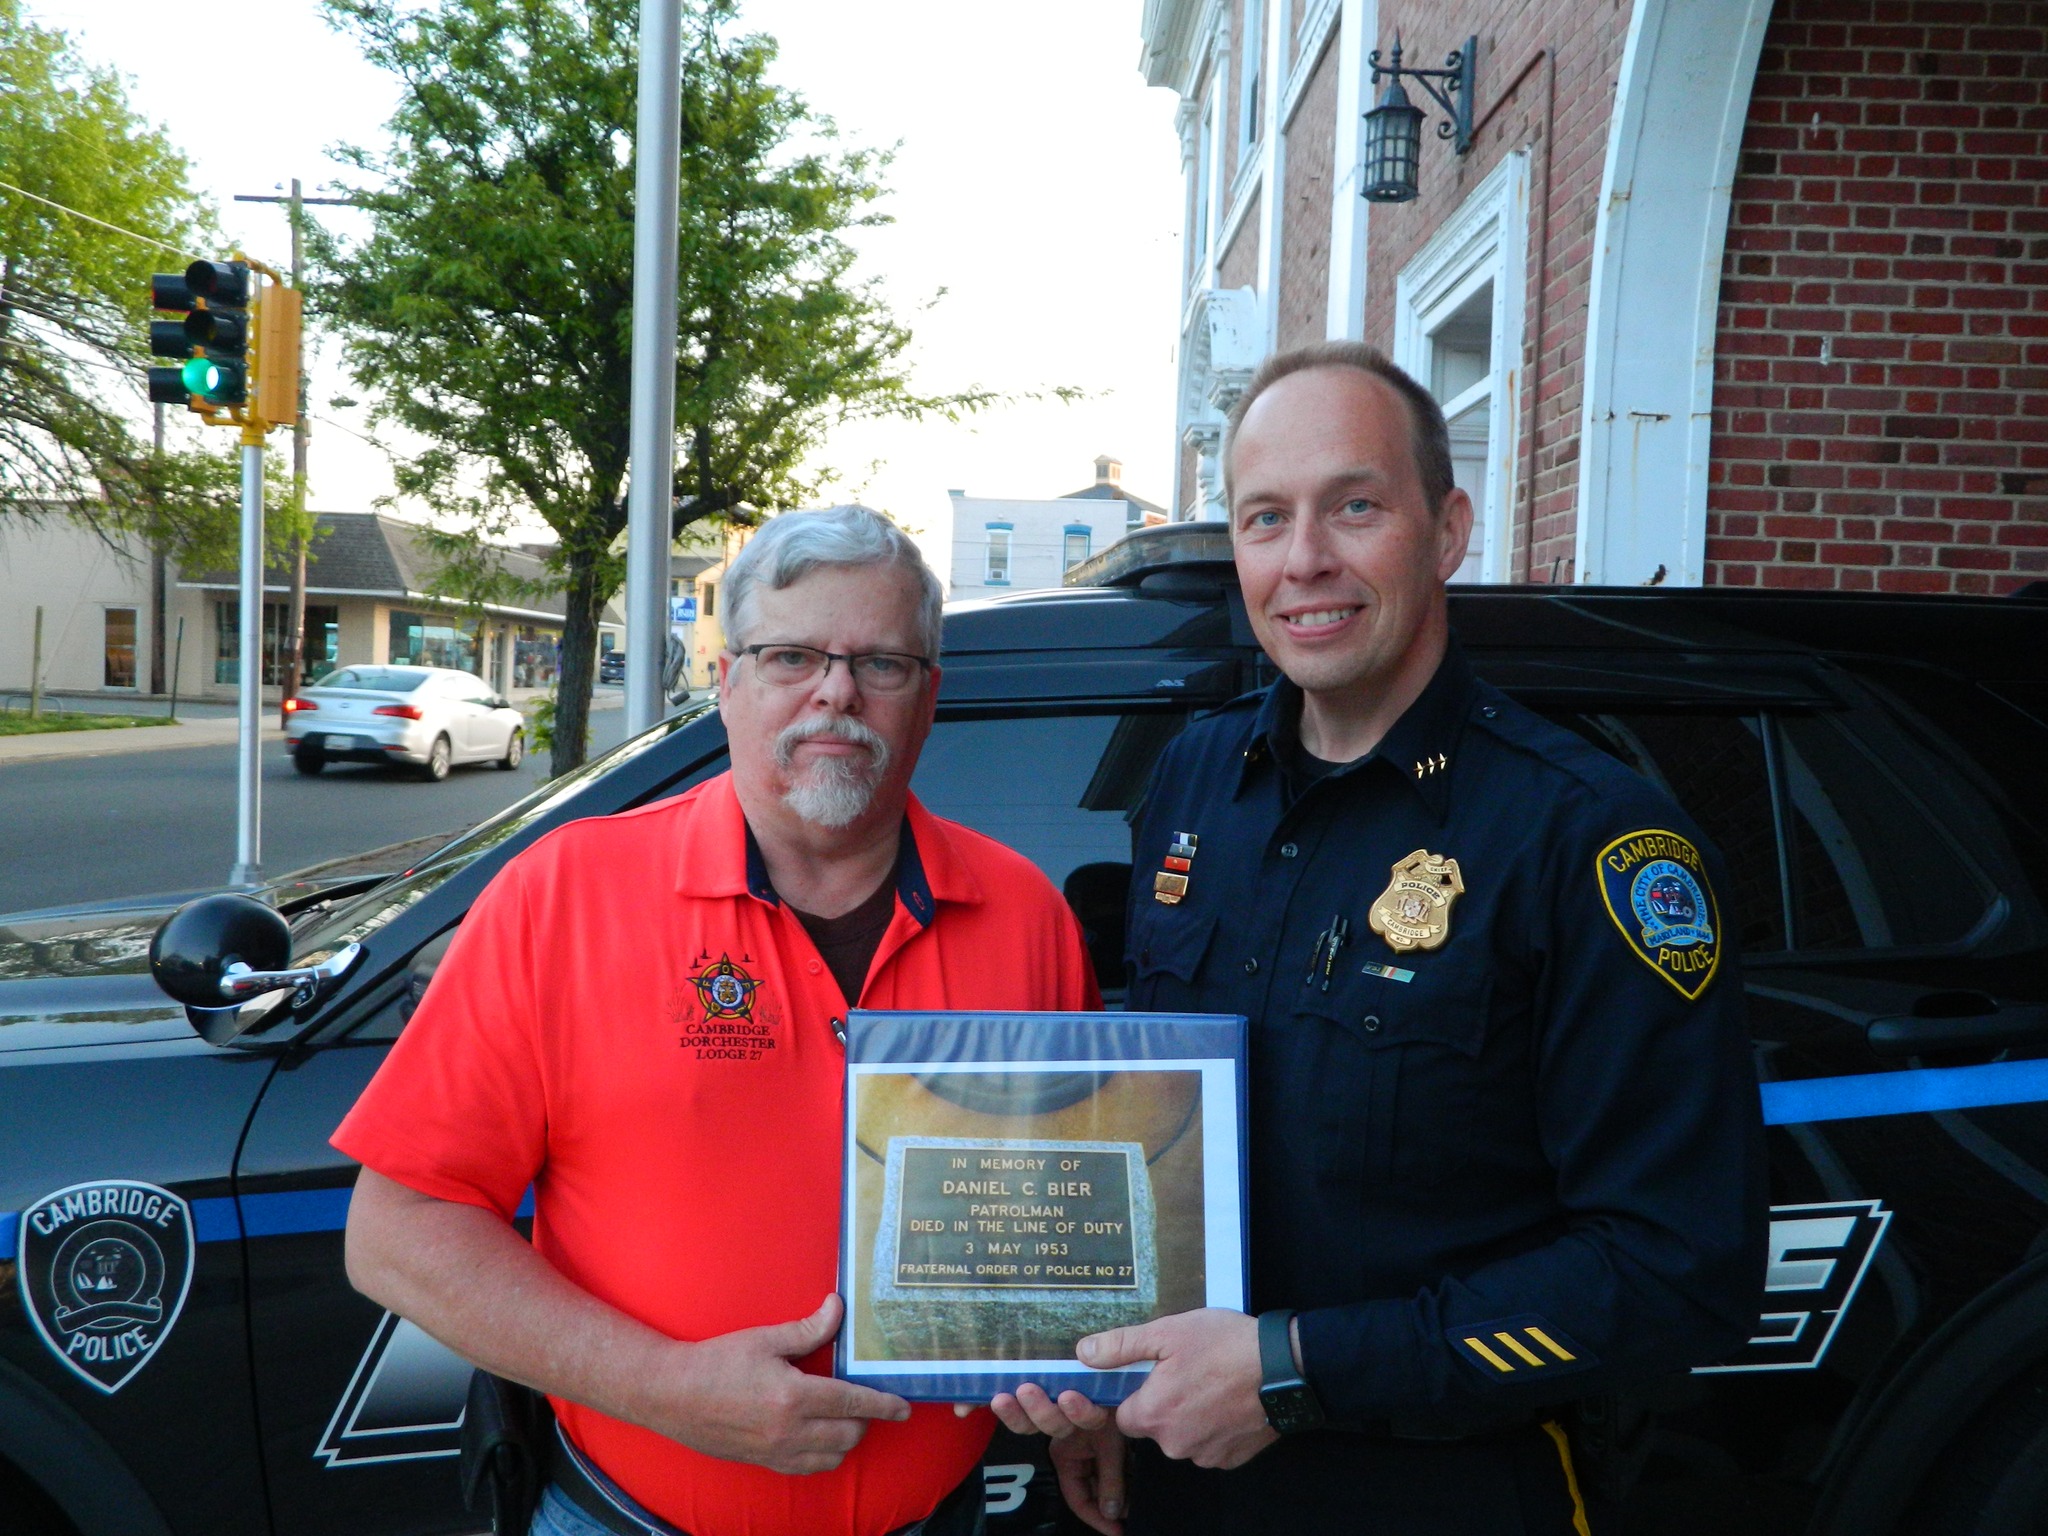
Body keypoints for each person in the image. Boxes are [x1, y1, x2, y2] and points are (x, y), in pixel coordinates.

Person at [996, 343, 1766, 1535]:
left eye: (1352, 506)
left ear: (1445, 529)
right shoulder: (1198, 778)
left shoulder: (1587, 838)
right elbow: (1164, 1123)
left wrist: (1301, 1368)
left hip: (1443, 1487)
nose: (1303, 559)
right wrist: (1097, 1382)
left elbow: (1679, 1272)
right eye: (1265, 518)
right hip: (1180, 1481)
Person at [335, 505, 1099, 1536]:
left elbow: (1073, 1221)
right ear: (728, 683)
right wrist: (664, 1387)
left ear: (929, 701)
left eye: (880, 663)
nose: (835, 692)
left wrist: (1088, 1399)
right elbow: (395, 1232)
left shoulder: (1023, 915)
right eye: (792, 656)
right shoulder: (564, 894)